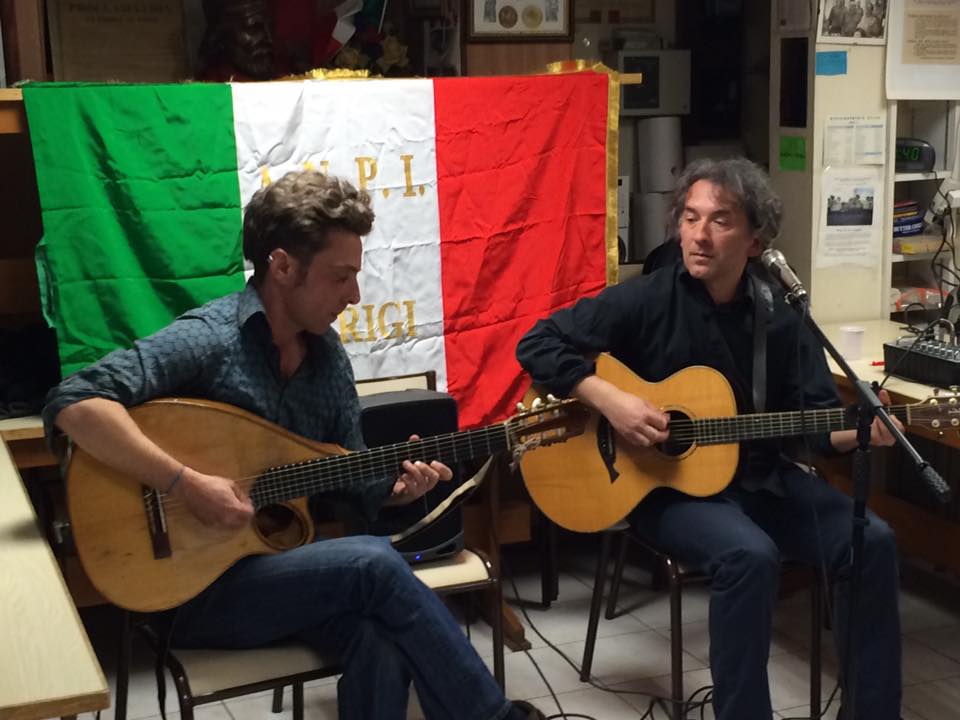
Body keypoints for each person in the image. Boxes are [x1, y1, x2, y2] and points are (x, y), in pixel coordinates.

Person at [44, 170, 544, 720]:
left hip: (281, 578)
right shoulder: (210, 339)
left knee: (381, 634)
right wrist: (183, 483)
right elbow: (74, 402)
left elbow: (354, 481)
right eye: (340, 277)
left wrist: (396, 490)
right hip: (184, 590)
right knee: (373, 563)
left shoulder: (328, 361)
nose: (354, 295)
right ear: (282, 267)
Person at [516, 158, 902, 720]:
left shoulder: (781, 315)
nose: (700, 234)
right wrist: (612, 401)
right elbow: (537, 343)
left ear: (755, 241)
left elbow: (819, 425)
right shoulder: (648, 299)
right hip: (665, 490)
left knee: (873, 540)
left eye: (720, 220)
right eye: (691, 217)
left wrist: (863, 432)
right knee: (749, 556)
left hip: (763, 482)